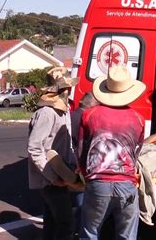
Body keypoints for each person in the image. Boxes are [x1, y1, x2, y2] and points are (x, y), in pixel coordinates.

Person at [78, 64, 146, 239]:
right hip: (127, 183)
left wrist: (86, 175)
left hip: (97, 181)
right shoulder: (138, 119)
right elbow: (136, 152)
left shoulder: (89, 115)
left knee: (90, 232)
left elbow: (81, 151)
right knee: (127, 235)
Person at [27, 66, 79, 240]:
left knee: (51, 223)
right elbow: (34, 148)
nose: (70, 90)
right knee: (66, 225)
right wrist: (52, 177)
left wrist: (73, 168)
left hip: (60, 176)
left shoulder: (63, 111)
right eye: (66, 88)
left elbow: (67, 143)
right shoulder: (47, 113)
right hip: (51, 180)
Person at [70, 92, 99, 235]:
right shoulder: (84, 119)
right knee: (82, 205)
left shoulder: (71, 116)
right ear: (91, 105)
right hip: (79, 167)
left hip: (69, 165)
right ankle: (77, 231)